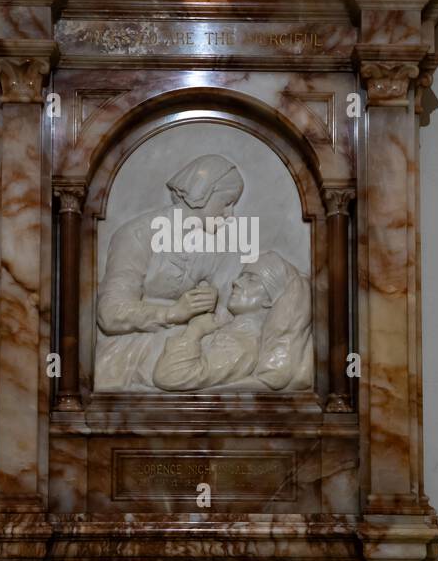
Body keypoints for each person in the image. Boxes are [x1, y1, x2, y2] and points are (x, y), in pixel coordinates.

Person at [95, 154, 246, 390]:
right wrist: (173, 312)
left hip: (187, 340)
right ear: (201, 194)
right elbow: (109, 312)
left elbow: (229, 307)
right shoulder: (138, 235)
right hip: (135, 347)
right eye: (226, 202)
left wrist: (215, 302)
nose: (230, 215)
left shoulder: (217, 243)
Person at [151, 251, 313, 392]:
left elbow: (170, 376)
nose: (236, 282)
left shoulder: (240, 346)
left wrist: (194, 331)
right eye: (242, 276)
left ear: (269, 300)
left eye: (251, 280)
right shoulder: (232, 332)